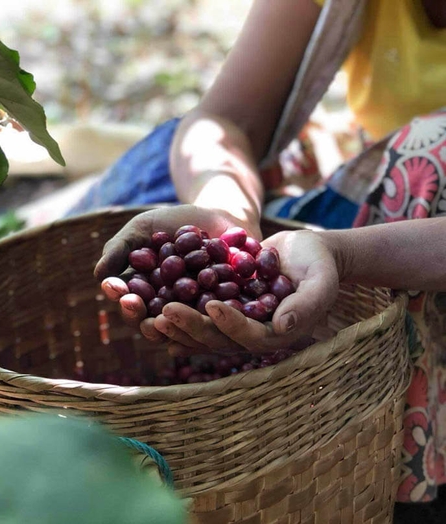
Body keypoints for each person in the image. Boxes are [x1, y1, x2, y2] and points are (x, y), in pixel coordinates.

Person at [68, 0, 446, 515]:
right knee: (162, 157)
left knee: (432, 150)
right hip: (378, 176)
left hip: (420, 194)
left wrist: (345, 254)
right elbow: (226, 116)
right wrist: (228, 214)